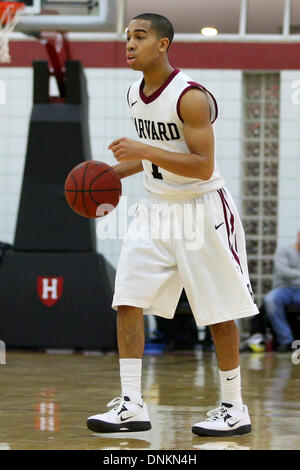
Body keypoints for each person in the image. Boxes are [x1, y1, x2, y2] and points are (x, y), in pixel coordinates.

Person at [87, 12, 259, 437]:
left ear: (163, 44)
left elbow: (203, 166)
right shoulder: (133, 93)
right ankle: (131, 404)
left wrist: (144, 149)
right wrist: (106, 176)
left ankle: (234, 407)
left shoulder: (191, 97)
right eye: (127, 37)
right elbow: (150, 156)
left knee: (220, 311)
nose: (129, 43)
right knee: (126, 298)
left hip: (201, 209)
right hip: (156, 209)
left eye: (139, 36)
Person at [264, 232, 300, 352]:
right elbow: (282, 272)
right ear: (298, 235)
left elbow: (289, 272)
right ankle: (286, 340)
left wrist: (293, 274)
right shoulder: (284, 251)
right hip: (283, 289)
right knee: (270, 300)